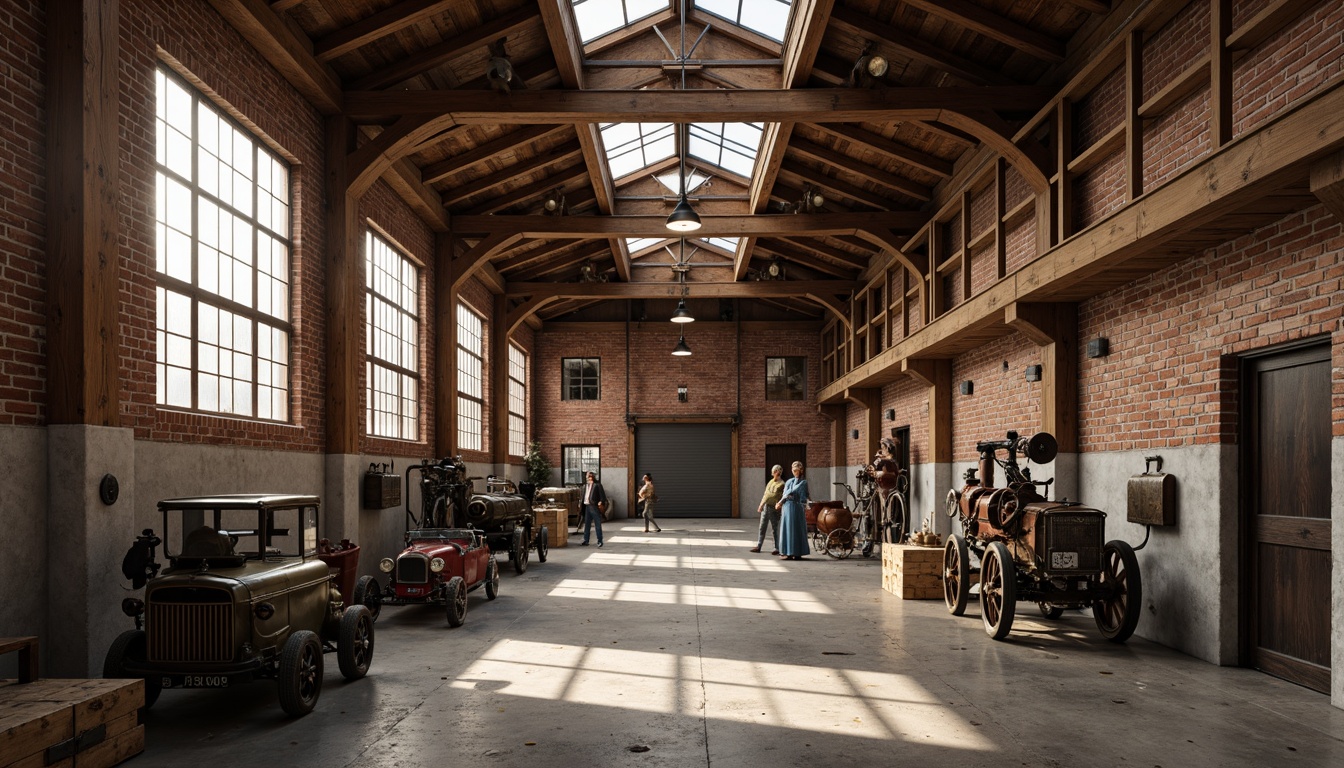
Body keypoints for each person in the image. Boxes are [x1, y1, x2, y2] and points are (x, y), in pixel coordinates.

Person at [775, 460, 810, 560]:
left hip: (797, 507)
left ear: (801, 470)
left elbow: (795, 491)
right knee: (787, 528)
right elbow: (785, 493)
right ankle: (787, 552)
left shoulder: (803, 482)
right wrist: (781, 502)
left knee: (796, 529)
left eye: (797, 470)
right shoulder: (789, 481)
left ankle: (797, 552)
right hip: (787, 507)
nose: (795, 472)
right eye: (794, 470)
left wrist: (781, 501)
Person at [751, 465, 785, 554]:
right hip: (766, 507)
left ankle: (776, 548)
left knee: (775, 528)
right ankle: (759, 545)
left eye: (774, 472)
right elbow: (766, 494)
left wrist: (780, 506)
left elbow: (781, 496)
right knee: (762, 526)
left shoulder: (782, 484)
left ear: (777, 472)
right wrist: (761, 505)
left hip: (774, 508)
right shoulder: (770, 482)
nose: (773, 473)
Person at [579, 471, 607, 547]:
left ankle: (600, 541)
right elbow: (582, 496)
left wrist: (601, 502)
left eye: (590, 476)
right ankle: (586, 540)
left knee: (597, 524)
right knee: (587, 524)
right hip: (587, 506)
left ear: (593, 477)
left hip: (594, 506)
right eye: (588, 476)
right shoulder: (585, 486)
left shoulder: (597, 485)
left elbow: (602, 496)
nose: (589, 478)